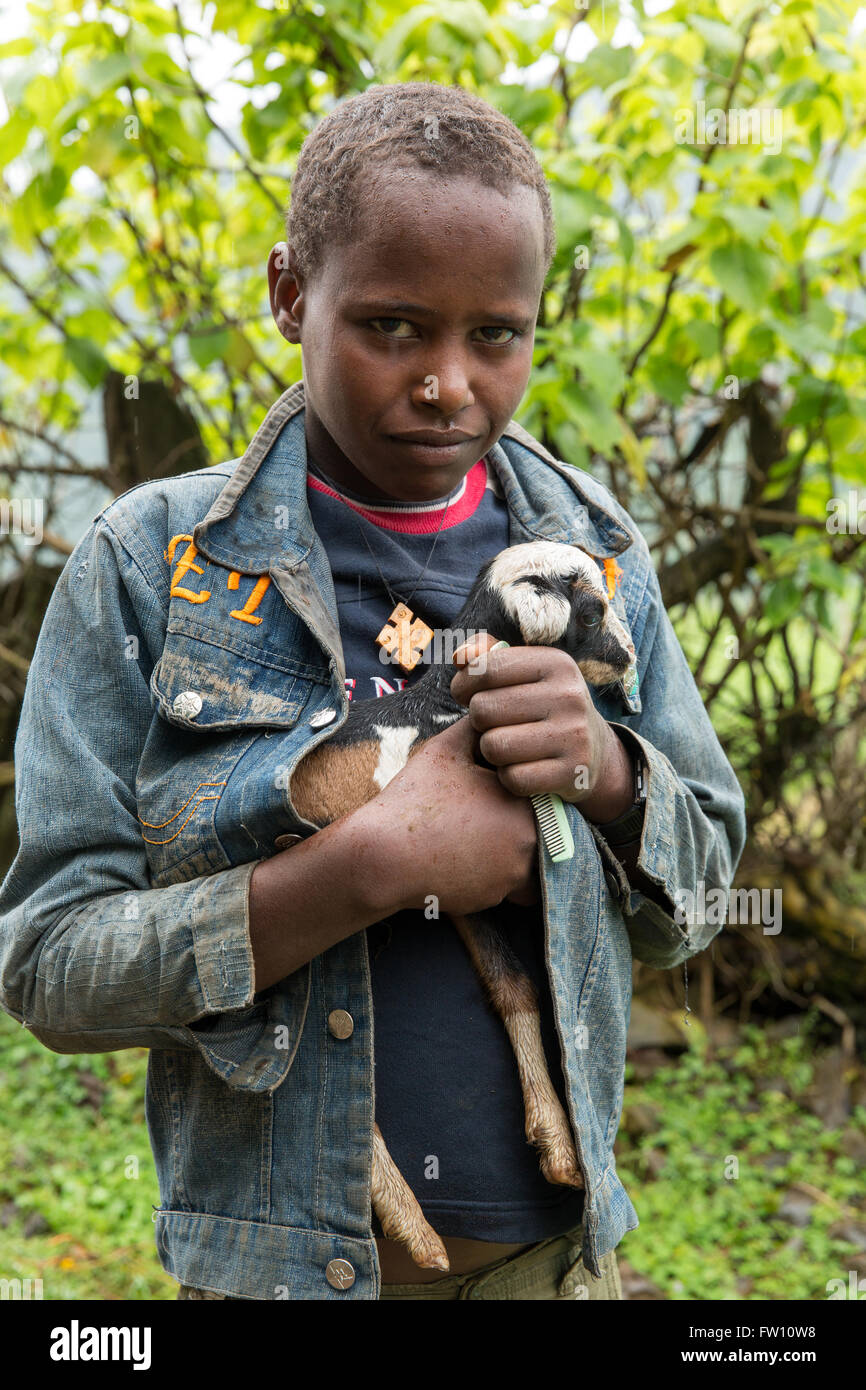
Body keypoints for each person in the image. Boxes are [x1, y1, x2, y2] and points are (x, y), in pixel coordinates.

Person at [0, 82, 746, 1301]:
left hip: (551, 1270)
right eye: (393, 327)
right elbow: (48, 962)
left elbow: (702, 893)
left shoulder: (592, 561)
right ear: (292, 290)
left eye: (495, 335)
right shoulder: (149, 569)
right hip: (277, 1279)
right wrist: (367, 867)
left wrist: (607, 777)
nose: (449, 382)